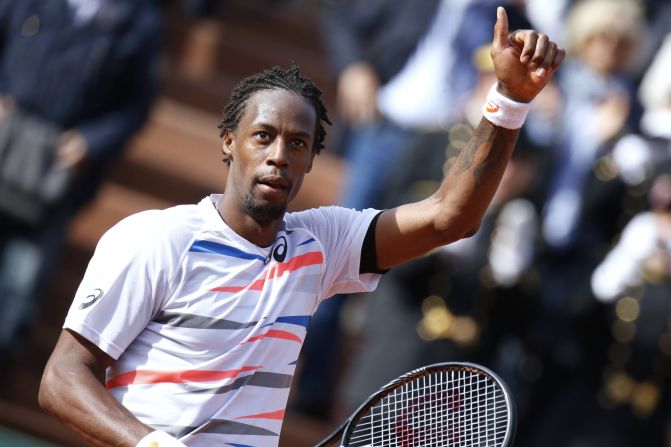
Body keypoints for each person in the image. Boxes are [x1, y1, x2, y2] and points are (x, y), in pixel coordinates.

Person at [38, 8, 564, 447]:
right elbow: (62, 380)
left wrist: (510, 100)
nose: (278, 157)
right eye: (262, 136)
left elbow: (451, 216)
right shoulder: (156, 239)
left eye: (297, 144)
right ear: (228, 142)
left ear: (312, 159)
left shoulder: (323, 245)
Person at [0, 0, 161, 372]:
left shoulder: (138, 21)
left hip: (58, 176)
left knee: (21, 282)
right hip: (5, 139)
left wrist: (91, 142)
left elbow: (137, 105)